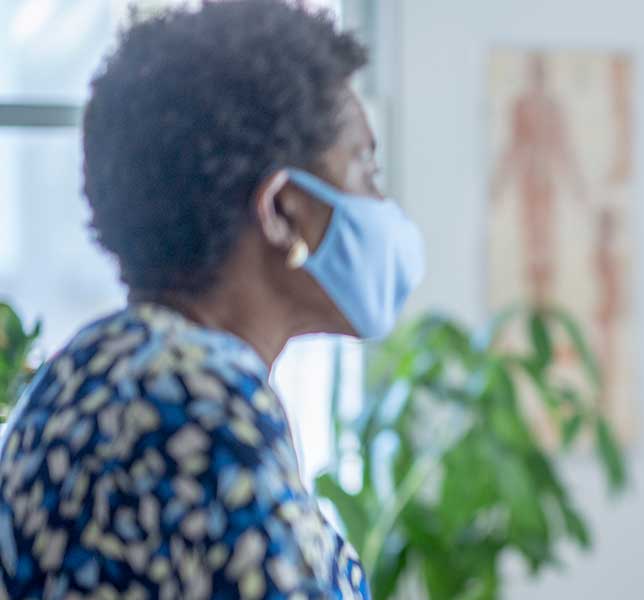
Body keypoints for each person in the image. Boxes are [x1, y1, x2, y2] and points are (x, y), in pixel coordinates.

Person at [0, 1, 422, 597]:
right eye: (364, 169)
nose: (382, 206)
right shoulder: (202, 402)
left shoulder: (78, 374)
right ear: (281, 211)